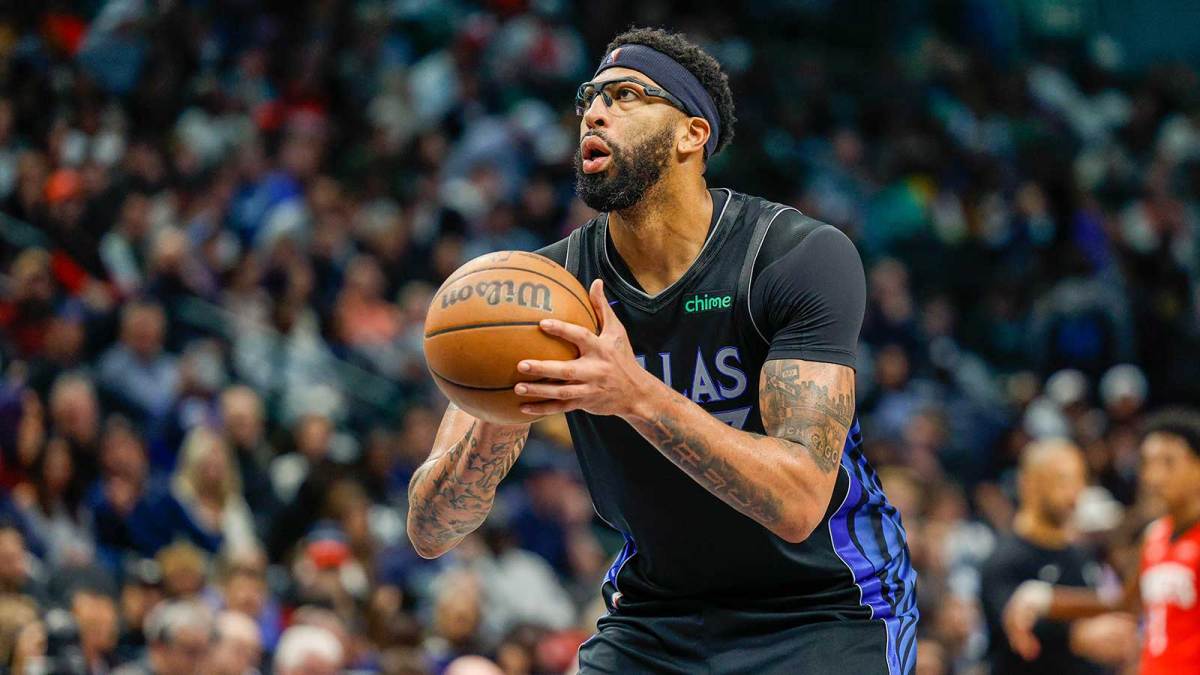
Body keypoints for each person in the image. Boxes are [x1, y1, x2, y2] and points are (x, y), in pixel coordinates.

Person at [408, 26, 917, 674]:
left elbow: (796, 503)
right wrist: (495, 417)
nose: (594, 111)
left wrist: (635, 393)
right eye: (589, 97)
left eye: (625, 95)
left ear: (691, 134)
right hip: (659, 611)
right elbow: (431, 531)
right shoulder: (539, 293)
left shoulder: (792, 256)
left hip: (824, 604)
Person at [1002, 408, 1200, 674]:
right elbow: (1125, 603)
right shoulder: (1155, 536)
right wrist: (1044, 598)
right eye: (1147, 463)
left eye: (1168, 462)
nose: (1154, 477)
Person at [978, 440, 1137, 674]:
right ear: (1029, 484)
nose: (1075, 492)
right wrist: (1077, 636)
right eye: (1062, 480)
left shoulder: (1082, 555)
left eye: (1080, 479)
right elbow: (1016, 624)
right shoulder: (1005, 558)